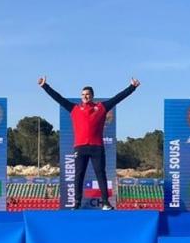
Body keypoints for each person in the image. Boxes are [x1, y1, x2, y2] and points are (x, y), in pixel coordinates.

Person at [38, 76, 139, 210]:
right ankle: (77, 202)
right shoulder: (74, 109)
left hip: (97, 147)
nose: (85, 96)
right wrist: (45, 86)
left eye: (88, 94)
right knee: (79, 175)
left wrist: (132, 87)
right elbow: (59, 98)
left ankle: (105, 202)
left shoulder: (101, 107)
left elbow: (117, 98)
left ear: (92, 96)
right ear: (81, 97)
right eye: (83, 95)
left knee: (100, 174)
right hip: (80, 148)